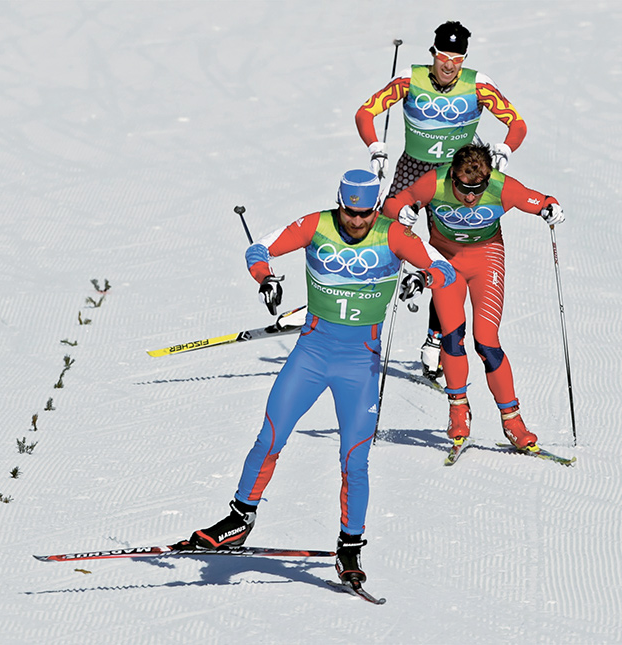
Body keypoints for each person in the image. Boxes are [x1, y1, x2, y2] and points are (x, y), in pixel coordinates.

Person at [183, 170, 456, 588]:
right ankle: (238, 520)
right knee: (270, 437)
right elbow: (258, 248)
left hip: (358, 364)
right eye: (351, 212)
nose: (358, 221)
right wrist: (266, 277)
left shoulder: (395, 235)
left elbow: (444, 268)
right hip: (311, 354)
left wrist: (424, 276)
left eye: (366, 214)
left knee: (355, 458)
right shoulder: (317, 224)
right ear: (340, 202)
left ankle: (349, 548)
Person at [355, 20, 528, 380]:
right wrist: (375, 146)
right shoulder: (409, 78)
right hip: (414, 167)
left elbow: (518, 124)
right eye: (444, 56)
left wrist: (506, 149)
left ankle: (435, 337)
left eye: (457, 58)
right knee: (384, 226)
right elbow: (365, 112)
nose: (449, 65)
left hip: (452, 176)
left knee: (446, 253)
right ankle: (356, 294)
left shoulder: (479, 85)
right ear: (433, 54)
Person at [382, 143, 564, 452]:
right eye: (463, 188)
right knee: (452, 336)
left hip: (486, 259)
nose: (470, 196)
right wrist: (402, 211)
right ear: (453, 174)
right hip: (444, 260)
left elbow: (538, 200)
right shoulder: (434, 181)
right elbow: (393, 203)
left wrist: (550, 208)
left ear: (488, 177)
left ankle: (512, 421)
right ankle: (458, 411)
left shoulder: (502, 187)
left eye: (477, 189)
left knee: (486, 340)